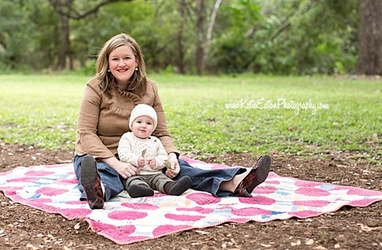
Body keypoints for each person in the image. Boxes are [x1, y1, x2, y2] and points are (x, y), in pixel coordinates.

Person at [74, 33, 271, 209]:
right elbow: (86, 134)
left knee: (182, 171)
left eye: (127, 58)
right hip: (101, 153)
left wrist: (171, 156)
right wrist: (116, 163)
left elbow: (161, 132)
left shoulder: (150, 88)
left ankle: (235, 182)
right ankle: (97, 190)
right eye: (115, 59)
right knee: (108, 174)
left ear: (137, 61)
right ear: (107, 63)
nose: (121, 63)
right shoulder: (95, 87)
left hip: (141, 151)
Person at [117, 103, 193, 197]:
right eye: (139, 122)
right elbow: (123, 153)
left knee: (161, 179)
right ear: (131, 125)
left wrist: (156, 162)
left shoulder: (155, 141)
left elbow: (163, 157)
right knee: (132, 181)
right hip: (135, 173)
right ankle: (141, 189)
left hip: (154, 173)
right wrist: (135, 160)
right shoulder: (127, 137)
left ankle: (171, 187)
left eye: (148, 123)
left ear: (153, 128)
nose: (144, 126)